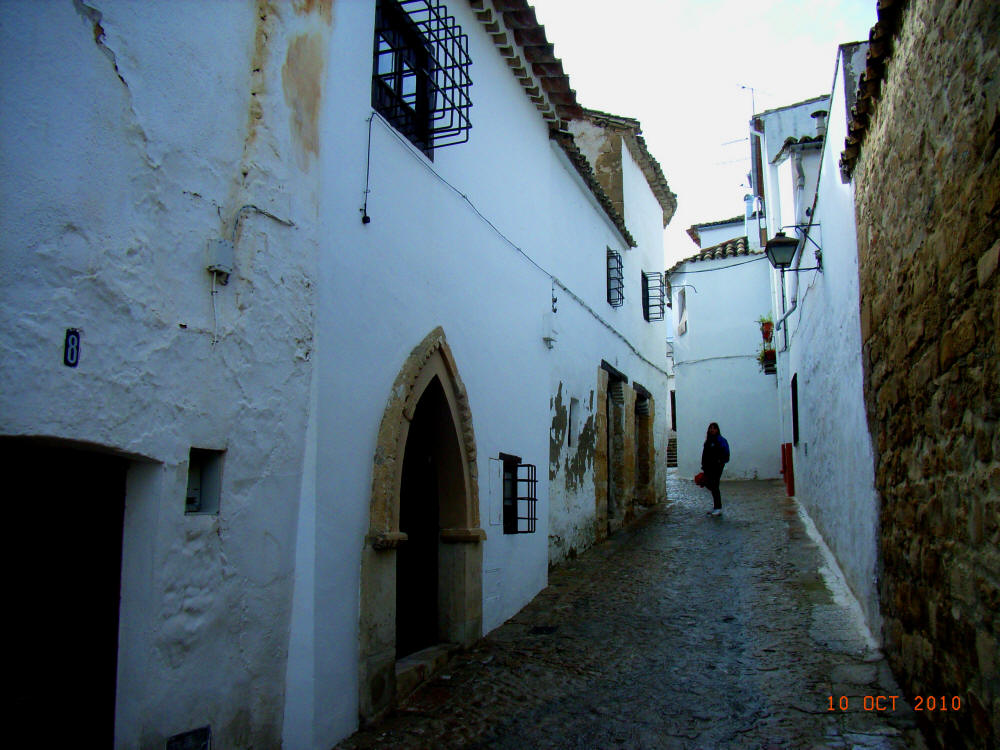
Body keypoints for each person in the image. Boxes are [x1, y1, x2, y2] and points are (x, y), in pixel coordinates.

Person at [701, 422, 730, 517]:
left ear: (717, 430)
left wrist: (720, 461)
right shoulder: (708, 441)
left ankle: (718, 508)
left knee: (715, 486)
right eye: (711, 428)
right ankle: (716, 507)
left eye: (714, 428)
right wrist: (704, 465)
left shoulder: (721, 440)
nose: (712, 430)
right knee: (711, 485)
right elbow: (705, 454)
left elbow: (726, 453)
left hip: (717, 467)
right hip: (709, 467)